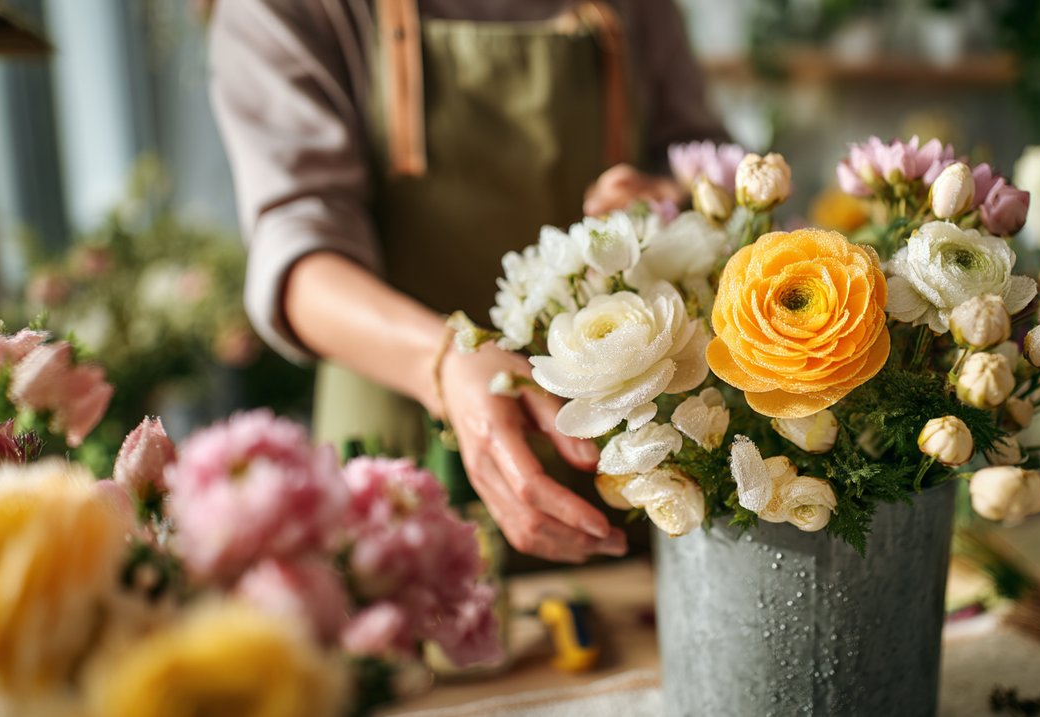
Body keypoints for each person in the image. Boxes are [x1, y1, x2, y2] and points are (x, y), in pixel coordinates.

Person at [209, 0, 728, 564]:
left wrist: (668, 201)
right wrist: (445, 362)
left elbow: (701, 157)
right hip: (403, 476)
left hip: (636, 462)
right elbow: (300, 259)